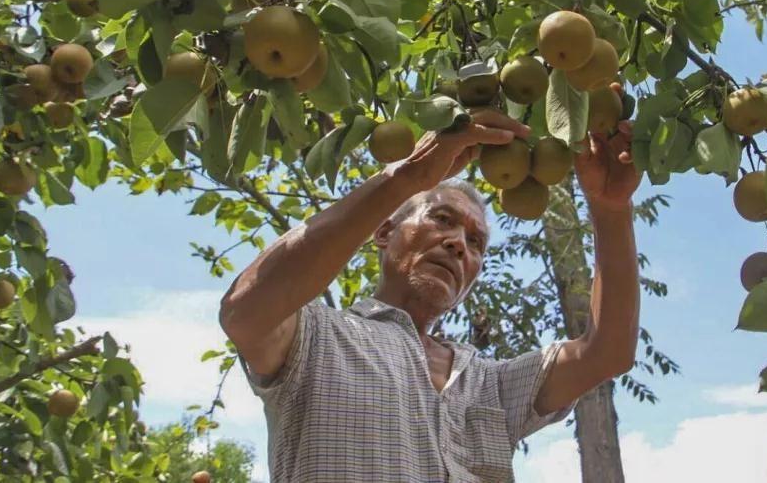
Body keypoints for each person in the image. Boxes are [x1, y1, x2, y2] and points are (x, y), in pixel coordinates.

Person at [219, 104, 640, 482]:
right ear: (384, 232)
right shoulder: (317, 337)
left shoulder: (489, 382)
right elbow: (246, 310)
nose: (459, 244)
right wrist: (406, 177)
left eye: (476, 243)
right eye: (442, 218)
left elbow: (607, 352)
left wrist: (611, 209)